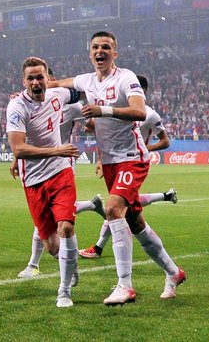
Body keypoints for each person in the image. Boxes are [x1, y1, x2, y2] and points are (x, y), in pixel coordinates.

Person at [52, 31, 185, 305]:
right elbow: (55, 84)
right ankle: (174, 272)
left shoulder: (126, 77)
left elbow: (139, 111)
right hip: (112, 161)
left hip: (131, 156)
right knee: (135, 223)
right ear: (90, 52)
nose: (100, 51)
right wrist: (30, 92)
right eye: (95, 47)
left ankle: (125, 286)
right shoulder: (86, 80)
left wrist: (104, 110)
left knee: (112, 209)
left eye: (106, 47)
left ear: (115, 53)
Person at [7, 56, 81, 308]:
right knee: (52, 246)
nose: (36, 82)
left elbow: (85, 88)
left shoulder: (59, 94)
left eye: (40, 77)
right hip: (34, 180)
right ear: (23, 81)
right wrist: (56, 150)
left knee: (67, 228)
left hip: (61, 173)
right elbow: (18, 148)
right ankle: (70, 265)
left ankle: (64, 291)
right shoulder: (16, 107)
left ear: (48, 78)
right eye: (31, 78)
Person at [17, 67, 105, 279]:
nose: (40, 83)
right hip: (36, 167)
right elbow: (23, 138)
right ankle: (92, 205)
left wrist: (98, 146)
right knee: (48, 224)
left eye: (45, 78)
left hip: (62, 164)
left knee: (60, 222)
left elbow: (94, 125)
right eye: (35, 79)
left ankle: (33, 264)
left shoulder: (71, 105)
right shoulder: (27, 105)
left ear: (53, 80)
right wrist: (15, 160)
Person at [79, 75, 178, 260]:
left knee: (115, 206)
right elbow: (108, 136)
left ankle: (99, 248)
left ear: (142, 92)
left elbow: (165, 141)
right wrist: (100, 156)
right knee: (126, 209)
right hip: (116, 161)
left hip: (134, 162)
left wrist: (145, 148)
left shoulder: (150, 114)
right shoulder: (118, 111)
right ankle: (166, 196)